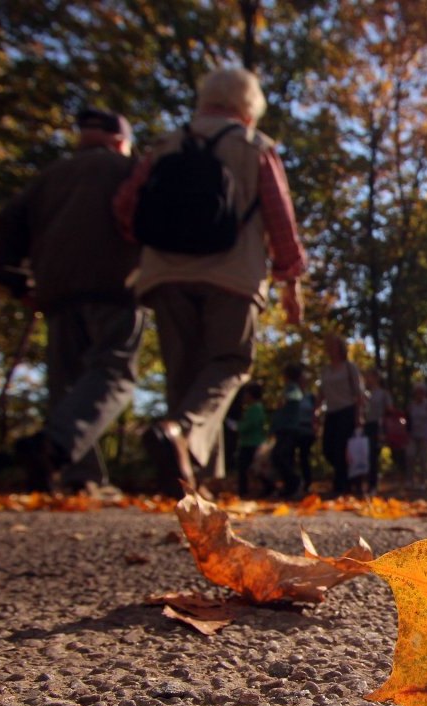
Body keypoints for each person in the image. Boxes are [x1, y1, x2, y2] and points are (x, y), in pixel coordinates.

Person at [114, 67, 305, 497]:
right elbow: (279, 219)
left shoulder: (166, 144)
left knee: (186, 378)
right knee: (229, 363)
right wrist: (290, 280)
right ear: (250, 109)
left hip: (166, 274)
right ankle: (179, 433)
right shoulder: (254, 146)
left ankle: (194, 485)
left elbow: (126, 207)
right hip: (233, 275)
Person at [0, 107, 144, 492]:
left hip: (56, 291)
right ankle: (56, 448)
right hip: (116, 285)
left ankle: (80, 477)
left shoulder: (50, 177)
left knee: (67, 384)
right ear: (121, 140)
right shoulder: (130, 170)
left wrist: (17, 282)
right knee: (115, 373)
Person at [315, 333, 363, 497]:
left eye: (334, 345)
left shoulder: (349, 368)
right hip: (331, 412)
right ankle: (344, 480)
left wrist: (358, 416)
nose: (330, 348)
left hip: (347, 411)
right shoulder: (326, 370)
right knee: (328, 448)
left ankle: (341, 485)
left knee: (341, 448)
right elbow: (321, 392)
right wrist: (316, 411)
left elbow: (358, 394)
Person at [270, 363, 304, 499]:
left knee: (279, 456)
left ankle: (294, 482)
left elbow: (294, 398)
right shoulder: (289, 388)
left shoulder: (292, 389)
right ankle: (289, 487)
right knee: (284, 458)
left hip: (288, 429)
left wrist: (283, 402)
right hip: (284, 428)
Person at [234, 382, 270, 498]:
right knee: (251, 468)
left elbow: (250, 425)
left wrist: (237, 427)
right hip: (249, 442)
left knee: (247, 468)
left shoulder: (255, 408)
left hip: (252, 443)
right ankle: (266, 488)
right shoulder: (254, 408)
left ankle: (245, 491)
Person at [362, 367, 392, 495]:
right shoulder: (365, 393)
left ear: (376, 378)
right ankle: (365, 483)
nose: (366, 379)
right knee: (365, 454)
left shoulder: (383, 393)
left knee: (373, 454)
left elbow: (390, 409)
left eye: (369, 376)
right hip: (366, 425)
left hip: (378, 426)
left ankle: (373, 484)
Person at [405, 381, 427, 489]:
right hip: (412, 435)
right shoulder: (411, 405)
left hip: (425, 435)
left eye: (422, 392)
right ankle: (410, 480)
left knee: (423, 458)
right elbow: (406, 419)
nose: (420, 394)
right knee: (410, 456)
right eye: (418, 392)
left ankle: (422, 482)